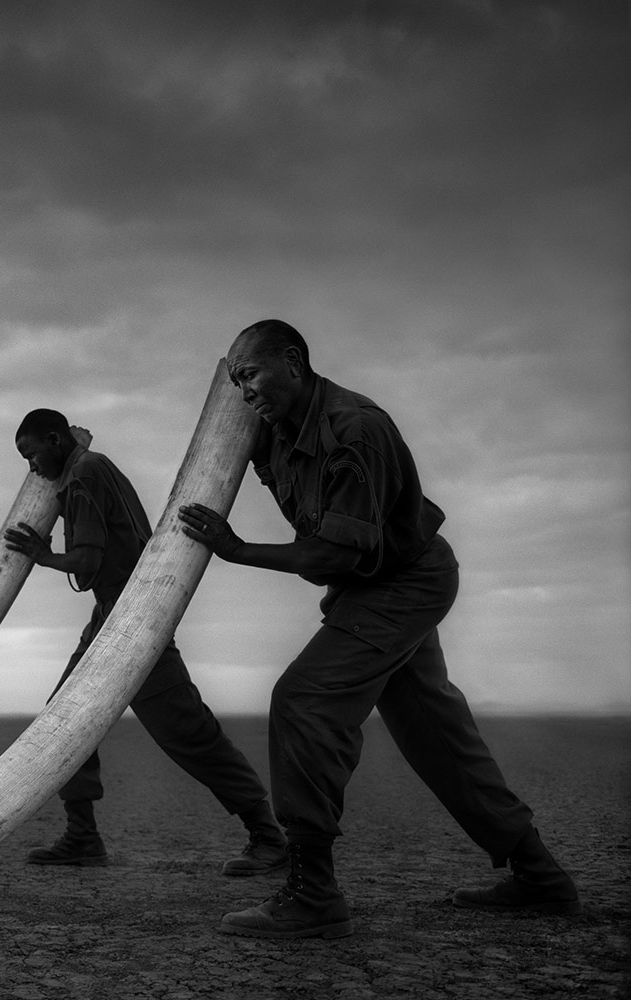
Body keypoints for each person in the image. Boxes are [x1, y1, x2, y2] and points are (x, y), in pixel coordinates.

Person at [178, 318, 581, 939]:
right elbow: (232, 448)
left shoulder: (356, 430)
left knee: (304, 700)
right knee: (434, 732)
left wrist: (236, 549)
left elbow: (332, 557)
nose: (243, 391)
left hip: (405, 583)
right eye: (235, 380)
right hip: (370, 586)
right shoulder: (273, 426)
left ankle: (313, 892)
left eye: (251, 374)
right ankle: (540, 875)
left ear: (292, 360)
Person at [2, 408, 285, 875]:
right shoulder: (94, 465)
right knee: (61, 723)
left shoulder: (82, 477)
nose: (31, 468)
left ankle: (268, 835)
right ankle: (82, 836)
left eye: (31, 455)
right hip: (111, 615)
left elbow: (87, 560)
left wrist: (42, 556)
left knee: (187, 731)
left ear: (55, 440)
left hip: (133, 622)